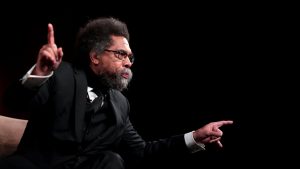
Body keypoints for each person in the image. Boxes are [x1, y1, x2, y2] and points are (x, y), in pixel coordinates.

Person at [0, 17, 233, 169]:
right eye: (121, 55)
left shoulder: (120, 104)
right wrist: (40, 73)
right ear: (95, 56)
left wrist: (194, 136)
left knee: (112, 161)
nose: (129, 63)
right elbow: (14, 102)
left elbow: (142, 152)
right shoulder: (61, 76)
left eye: (130, 57)